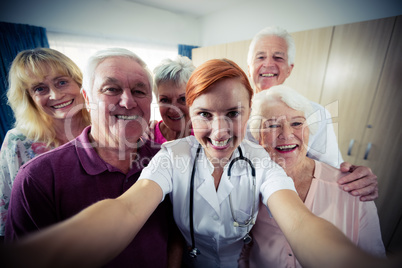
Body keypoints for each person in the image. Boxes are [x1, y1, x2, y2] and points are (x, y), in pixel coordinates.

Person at [0, 59, 393, 268]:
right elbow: (124, 211)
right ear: (192, 113)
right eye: (205, 114)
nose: (220, 131)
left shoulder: (262, 159)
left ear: (248, 113)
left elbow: (301, 223)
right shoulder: (171, 155)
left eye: (233, 113)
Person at [4, 48, 180, 267]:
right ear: (87, 98)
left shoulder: (168, 159)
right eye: (111, 89)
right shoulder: (37, 178)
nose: (127, 101)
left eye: (139, 91)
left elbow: (178, 237)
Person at [239, 85, 386, 267]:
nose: (286, 134)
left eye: (297, 123)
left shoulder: (353, 187)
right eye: (273, 125)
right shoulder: (248, 186)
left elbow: (375, 255)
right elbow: (244, 245)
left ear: (310, 130)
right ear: (258, 136)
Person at [246, 26, 378, 201]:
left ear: (289, 69)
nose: (268, 64)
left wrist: (358, 178)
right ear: (250, 67)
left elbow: (332, 170)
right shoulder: (232, 114)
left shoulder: (316, 114)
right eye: (260, 57)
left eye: (278, 57)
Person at [0, 48, 91, 239]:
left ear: (80, 83)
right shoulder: (18, 141)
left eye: (62, 82)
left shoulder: (102, 128)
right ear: (29, 98)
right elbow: (6, 212)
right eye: (40, 88)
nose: (56, 95)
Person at [150, 55, 195, 144]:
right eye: (165, 100)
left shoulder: (205, 135)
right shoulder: (148, 136)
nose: (174, 109)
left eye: (183, 99)